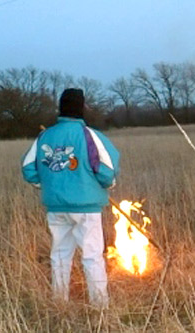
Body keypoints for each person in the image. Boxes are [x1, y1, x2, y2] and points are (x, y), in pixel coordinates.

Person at [21, 88, 120, 308]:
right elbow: (108, 170)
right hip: (86, 208)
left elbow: (28, 168)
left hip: (56, 207)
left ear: (61, 107)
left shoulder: (45, 136)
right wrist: (107, 185)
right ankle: (100, 306)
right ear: (82, 107)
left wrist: (46, 184)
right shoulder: (90, 135)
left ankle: (59, 303)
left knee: (59, 255)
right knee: (92, 256)